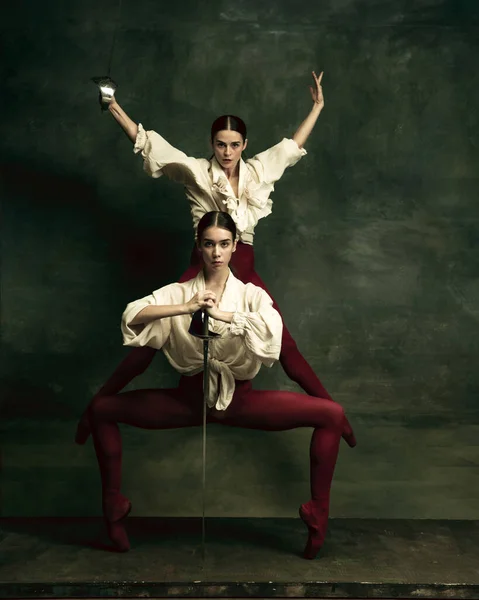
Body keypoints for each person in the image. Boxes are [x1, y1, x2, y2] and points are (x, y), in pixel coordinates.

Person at [76, 70, 355, 446]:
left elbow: (291, 148)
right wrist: (113, 106)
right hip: (202, 266)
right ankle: (94, 409)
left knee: (285, 346)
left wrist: (317, 107)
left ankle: (337, 417)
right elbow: (148, 144)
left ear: (244, 144)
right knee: (149, 339)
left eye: (234, 144)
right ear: (212, 143)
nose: (227, 152)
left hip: (244, 269)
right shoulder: (196, 171)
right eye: (221, 144)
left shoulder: (258, 171)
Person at [85, 211, 346, 559]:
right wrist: (186, 306)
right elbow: (132, 315)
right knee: (101, 409)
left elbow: (272, 331)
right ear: (199, 247)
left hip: (241, 401)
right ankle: (114, 505)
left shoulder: (251, 294)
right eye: (209, 244)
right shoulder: (177, 292)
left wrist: (227, 316)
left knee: (331, 414)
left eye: (224, 244)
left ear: (236, 246)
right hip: (187, 402)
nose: (217, 252)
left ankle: (318, 513)